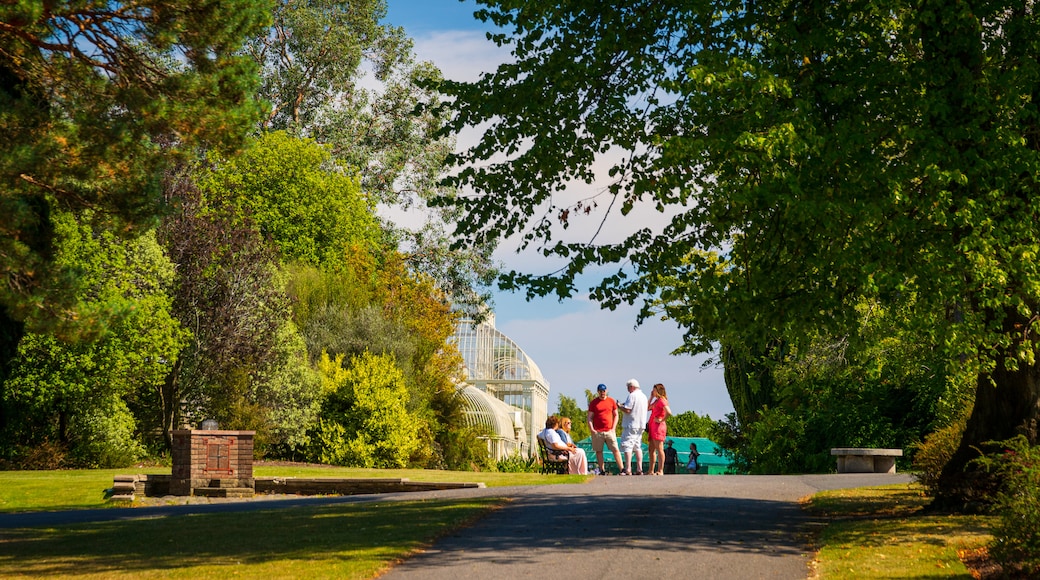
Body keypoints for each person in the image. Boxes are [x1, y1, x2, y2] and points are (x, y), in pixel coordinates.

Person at [587, 383, 622, 475]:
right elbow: (590, 417)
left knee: (615, 449)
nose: (602, 392)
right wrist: (592, 429)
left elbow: (616, 415)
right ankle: (602, 470)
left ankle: (622, 469)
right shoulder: (594, 403)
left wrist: (613, 428)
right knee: (599, 451)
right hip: (598, 431)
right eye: (600, 391)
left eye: (604, 391)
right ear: (598, 392)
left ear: (606, 391)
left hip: (609, 430)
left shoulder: (611, 401)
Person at [618, 378, 648, 475]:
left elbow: (628, 409)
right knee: (637, 446)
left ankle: (628, 468)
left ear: (631, 387)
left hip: (631, 425)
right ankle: (639, 468)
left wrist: (619, 406)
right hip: (640, 425)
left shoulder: (632, 396)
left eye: (628, 387)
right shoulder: (644, 397)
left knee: (628, 446)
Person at [646, 383, 673, 475]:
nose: (652, 391)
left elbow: (668, 412)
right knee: (651, 449)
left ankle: (660, 470)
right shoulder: (656, 401)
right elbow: (647, 407)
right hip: (652, 427)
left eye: (654, 390)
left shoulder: (662, 400)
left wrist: (661, 420)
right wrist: (651, 397)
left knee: (659, 448)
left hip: (658, 427)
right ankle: (651, 470)